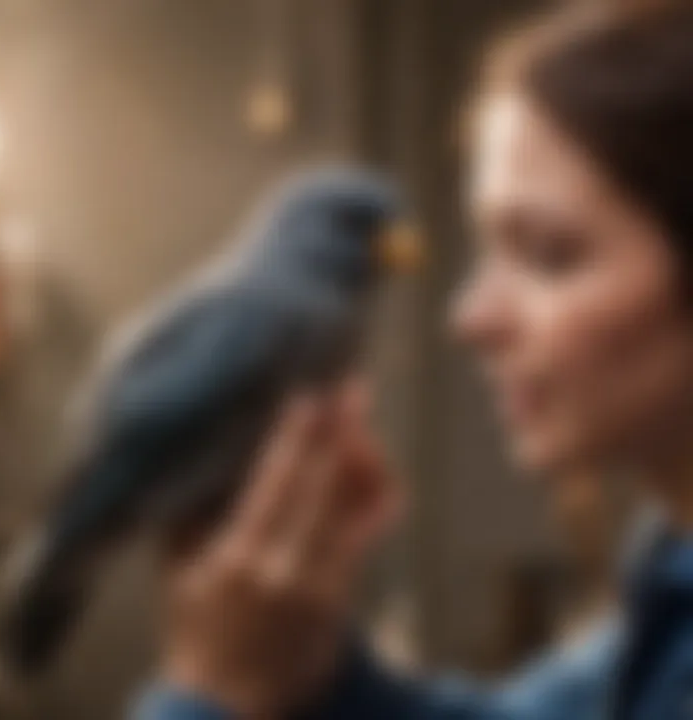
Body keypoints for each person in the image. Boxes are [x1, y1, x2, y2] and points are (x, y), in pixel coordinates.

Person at [134, 2, 693, 718]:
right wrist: (312, 671)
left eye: (549, 255)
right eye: (487, 249)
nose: (470, 318)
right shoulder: (670, 584)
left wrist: (209, 695)